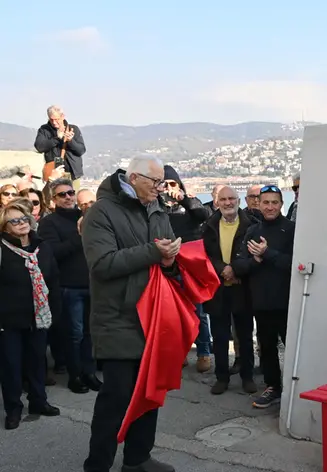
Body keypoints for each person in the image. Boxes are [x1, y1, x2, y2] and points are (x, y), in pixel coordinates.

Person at [81, 156, 180, 472]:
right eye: (155, 183)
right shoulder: (101, 212)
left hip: (154, 316)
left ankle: (138, 458)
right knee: (116, 398)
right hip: (118, 317)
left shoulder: (157, 208)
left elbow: (165, 261)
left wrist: (171, 262)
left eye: (162, 183)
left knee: (150, 393)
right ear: (134, 177)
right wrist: (154, 253)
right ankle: (97, 465)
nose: (160, 189)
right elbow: (103, 264)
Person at [0, 199, 62, 430]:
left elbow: (53, 279)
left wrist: (56, 311)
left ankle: (38, 401)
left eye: (24, 218)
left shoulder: (42, 247)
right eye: (14, 221)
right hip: (9, 320)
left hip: (39, 317)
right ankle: (13, 409)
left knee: (37, 362)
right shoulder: (2, 249)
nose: (21, 223)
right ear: (5, 227)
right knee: (11, 367)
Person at [232, 185, 294, 408]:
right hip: (261, 301)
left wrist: (267, 253)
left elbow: (294, 264)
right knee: (266, 347)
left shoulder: (292, 229)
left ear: (281, 204)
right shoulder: (252, 231)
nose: (270, 207)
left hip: (288, 302)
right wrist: (256, 261)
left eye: (274, 202)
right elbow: (238, 266)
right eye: (265, 202)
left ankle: (296, 387)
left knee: (293, 347)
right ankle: (273, 387)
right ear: (258, 203)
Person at [38, 179, 101, 394]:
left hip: (92, 284)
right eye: (62, 194)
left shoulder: (86, 217)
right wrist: (79, 236)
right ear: (53, 199)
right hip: (68, 286)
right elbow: (53, 253)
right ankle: (75, 376)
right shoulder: (49, 223)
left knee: (90, 332)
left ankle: (89, 373)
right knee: (74, 334)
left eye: (70, 193)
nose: (68, 197)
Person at [202, 186, 257, 395]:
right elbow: (205, 254)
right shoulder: (209, 225)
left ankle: (247, 377)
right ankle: (222, 377)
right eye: (223, 199)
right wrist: (223, 270)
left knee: (244, 335)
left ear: (239, 200)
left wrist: (235, 269)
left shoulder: (251, 225)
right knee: (220, 335)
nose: (228, 203)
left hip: (242, 287)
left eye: (231, 198)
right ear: (217, 202)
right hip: (217, 288)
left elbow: (252, 255)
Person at [161, 165, 212, 373]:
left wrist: (183, 198)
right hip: (167, 267)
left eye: (173, 184)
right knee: (172, 314)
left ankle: (204, 352)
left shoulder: (190, 203)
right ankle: (179, 351)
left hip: (190, 267)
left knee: (198, 312)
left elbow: (204, 214)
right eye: (165, 184)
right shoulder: (156, 209)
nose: (169, 189)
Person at [34, 105, 86, 187]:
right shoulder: (44, 130)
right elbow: (39, 147)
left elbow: (81, 150)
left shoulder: (74, 129)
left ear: (62, 116)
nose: (54, 122)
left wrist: (70, 141)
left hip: (72, 173)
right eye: (51, 120)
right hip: (54, 172)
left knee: (72, 197)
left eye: (56, 119)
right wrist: (57, 138)